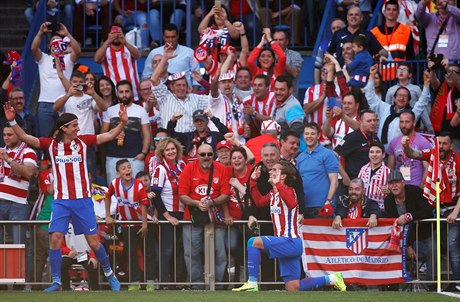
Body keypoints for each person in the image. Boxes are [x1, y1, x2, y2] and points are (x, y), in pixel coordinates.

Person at [3, 101, 128, 291]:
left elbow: (109, 135)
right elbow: (26, 137)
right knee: (56, 238)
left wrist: (122, 123)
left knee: (93, 242)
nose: (78, 128)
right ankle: (56, 281)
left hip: (83, 200)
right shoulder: (51, 145)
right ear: (64, 128)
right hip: (61, 201)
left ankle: (109, 274)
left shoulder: (84, 142)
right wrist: (12, 122)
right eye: (75, 125)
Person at [233, 160, 346, 292]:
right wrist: (253, 181)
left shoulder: (289, 190)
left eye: (275, 170)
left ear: (283, 176)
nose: (270, 171)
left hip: (290, 241)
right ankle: (333, 279)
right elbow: (258, 201)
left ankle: (252, 283)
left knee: (253, 242)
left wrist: (278, 184)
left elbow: (292, 204)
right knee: (293, 287)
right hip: (287, 243)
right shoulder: (273, 194)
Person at [402, 131, 460, 290]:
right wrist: (405, 146)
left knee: (453, 243)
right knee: (434, 244)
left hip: (454, 208)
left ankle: (457, 283)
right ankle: (435, 282)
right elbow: (414, 154)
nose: (441, 147)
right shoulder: (432, 155)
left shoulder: (459, 161)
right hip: (435, 208)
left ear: (451, 145)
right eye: (439, 143)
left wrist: (455, 212)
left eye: (445, 144)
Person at [178, 143, 230, 289]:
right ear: (197, 156)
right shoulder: (189, 169)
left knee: (220, 252)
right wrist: (196, 203)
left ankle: (218, 285)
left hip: (216, 216)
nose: (206, 157)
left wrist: (212, 202)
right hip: (193, 217)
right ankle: (196, 285)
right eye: (202, 154)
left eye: (209, 154)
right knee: (191, 252)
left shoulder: (221, 169)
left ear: (213, 155)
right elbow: (182, 194)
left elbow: (226, 194)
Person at [105, 159, 155, 291]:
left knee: (148, 252)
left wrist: (144, 225)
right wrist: (108, 216)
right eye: (124, 168)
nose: (128, 170)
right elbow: (107, 196)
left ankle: (150, 282)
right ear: (118, 173)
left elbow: (144, 205)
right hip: (127, 225)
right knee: (131, 253)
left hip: (143, 223)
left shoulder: (138, 185)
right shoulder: (114, 183)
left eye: (129, 167)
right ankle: (134, 282)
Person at [383, 170, 434, 289]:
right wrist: (408, 245)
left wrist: (409, 216)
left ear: (403, 183)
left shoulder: (415, 191)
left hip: (425, 232)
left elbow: (427, 211)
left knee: (433, 248)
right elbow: (394, 224)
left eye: (397, 182)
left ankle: (433, 283)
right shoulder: (388, 201)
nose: (394, 185)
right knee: (390, 247)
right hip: (404, 237)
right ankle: (393, 284)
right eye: (391, 183)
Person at [53, 71, 108, 178]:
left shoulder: (89, 97)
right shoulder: (64, 97)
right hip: (68, 142)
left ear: (85, 83)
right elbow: (55, 108)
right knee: (70, 175)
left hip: (88, 142)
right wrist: (69, 94)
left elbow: (104, 108)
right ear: (70, 82)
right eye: (75, 82)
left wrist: (94, 94)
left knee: (90, 174)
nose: (78, 84)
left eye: (81, 82)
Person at [32, 21, 81, 138]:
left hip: (65, 103)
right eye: (54, 43)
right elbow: (34, 48)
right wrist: (40, 33)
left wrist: (67, 34)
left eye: (59, 43)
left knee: (64, 138)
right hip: (45, 104)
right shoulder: (44, 58)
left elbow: (78, 51)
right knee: (47, 138)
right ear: (49, 46)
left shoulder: (68, 59)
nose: (56, 45)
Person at [365, 65, 431, 148]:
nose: (401, 98)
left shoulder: (411, 114)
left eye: (405, 96)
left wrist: (427, 84)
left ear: (408, 100)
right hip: (381, 151)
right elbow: (370, 97)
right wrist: (371, 76)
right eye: (399, 95)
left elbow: (422, 102)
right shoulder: (385, 108)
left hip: (400, 154)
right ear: (394, 98)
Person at [150, 44, 209, 133]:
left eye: (183, 85)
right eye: (178, 85)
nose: (181, 88)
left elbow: (214, 93)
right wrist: (165, 58)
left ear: (187, 87)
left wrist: (201, 81)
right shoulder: (165, 97)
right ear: (171, 87)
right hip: (171, 140)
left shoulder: (195, 98)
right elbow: (154, 79)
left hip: (191, 140)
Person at [151, 138, 186, 286]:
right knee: (167, 250)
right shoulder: (160, 169)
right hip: (168, 213)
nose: (171, 152)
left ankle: (179, 282)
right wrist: (167, 216)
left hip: (183, 213)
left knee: (180, 249)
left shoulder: (183, 165)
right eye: (167, 150)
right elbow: (155, 195)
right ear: (162, 153)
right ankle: (165, 282)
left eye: (173, 149)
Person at [101, 80, 151, 184]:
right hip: (113, 156)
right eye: (121, 92)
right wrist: (114, 133)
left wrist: (143, 153)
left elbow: (147, 134)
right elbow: (102, 133)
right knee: (114, 190)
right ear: (117, 93)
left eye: (127, 91)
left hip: (135, 157)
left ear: (132, 92)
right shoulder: (110, 111)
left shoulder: (140, 110)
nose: (124, 95)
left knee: (137, 189)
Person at [0, 123, 38, 245]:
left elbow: (28, 172)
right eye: (4, 134)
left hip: (18, 204)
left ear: (19, 134)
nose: (6, 138)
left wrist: (8, 159)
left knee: (19, 245)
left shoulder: (29, 152)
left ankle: (20, 265)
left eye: (10, 134)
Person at [297, 122, 338, 218]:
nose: (309, 136)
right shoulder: (300, 157)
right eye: (307, 134)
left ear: (319, 135)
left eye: (312, 133)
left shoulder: (328, 154)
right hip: (304, 207)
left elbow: (334, 181)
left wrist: (328, 200)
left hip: (322, 206)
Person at [143, 24, 200, 88]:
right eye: (167, 37)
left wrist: (194, 93)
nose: (170, 40)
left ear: (178, 36)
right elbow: (146, 76)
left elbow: (196, 76)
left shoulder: (189, 52)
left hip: (183, 92)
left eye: (173, 37)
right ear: (163, 37)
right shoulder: (154, 53)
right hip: (160, 92)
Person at [334, 109, 380, 189]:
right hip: (354, 184)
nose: (373, 123)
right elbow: (333, 154)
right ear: (361, 122)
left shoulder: (375, 138)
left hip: (371, 183)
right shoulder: (352, 137)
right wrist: (345, 177)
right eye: (369, 121)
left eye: (374, 120)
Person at [94, 24, 142, 101]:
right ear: (109, 35)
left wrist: (125, 42)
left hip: (133, 94)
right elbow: (96, 59)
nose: (116, 36)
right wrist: (107, 41)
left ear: (123, 34)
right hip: (113, 96)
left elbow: (138, 55)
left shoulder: (129, 48)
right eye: (113, 33)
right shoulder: (105, 51)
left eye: (119, 33)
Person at [370, 0, 414, 80]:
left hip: (399, 77)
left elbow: (410, 55)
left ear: (398, 13)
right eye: (389, 9)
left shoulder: (406, 30)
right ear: (384, 12)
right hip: (379, 77)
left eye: (394, 10)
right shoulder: (374, 32)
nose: (391, 12)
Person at [387, 110, 431, 187]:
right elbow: (390, 168)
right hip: (399, 187)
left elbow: (427, 168)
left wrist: (422, 187)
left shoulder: (423, 142)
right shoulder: (394, 142)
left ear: (414, 123)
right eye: (401, 122)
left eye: (407, 122)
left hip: (416, 186)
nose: (404, 125)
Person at [385, 64, 433, 133]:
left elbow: (422, 107)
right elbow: (387, 108)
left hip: (413, 122)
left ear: (410, 75)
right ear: (396, 75)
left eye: (404, 69)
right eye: (399, 70)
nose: (401, 71)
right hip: (395, 122)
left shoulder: (416, 89)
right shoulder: (391, 90)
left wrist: (428, 126)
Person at [60, 222, 99, 291]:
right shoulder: (64, 223)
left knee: (92, 264)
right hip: (71, 255)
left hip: (85, 254)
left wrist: (93, 256)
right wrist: (68, 252)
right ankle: (66, 289)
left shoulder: (88, 222)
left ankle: (94, 290)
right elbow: (60, 245)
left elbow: (96, 241)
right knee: (62, 263)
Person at [273, 75, 306, 151]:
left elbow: (297, 128)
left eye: (282, 90)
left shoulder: (292, 106)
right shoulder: (280, 102)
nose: (278, 92)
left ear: (290, 90)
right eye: (276, 89)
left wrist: (282, 141)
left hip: (296, 152)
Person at [357, 142, 391, 211]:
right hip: (362, 208)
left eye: (377, 152)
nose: (374, 155)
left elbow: (394, 194)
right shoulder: (363, 169)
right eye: (372, 152)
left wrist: (389, 192)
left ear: (383, 155)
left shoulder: (389, 172)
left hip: (380, 210)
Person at [243, 74, 276, 139]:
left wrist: (254, 113)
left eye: (260, 85)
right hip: (255, 136)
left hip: (273, 136)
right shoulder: (248, 100)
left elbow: (272, 121)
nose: (256, 88)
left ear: (267, 87)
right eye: (254, 85)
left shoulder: (274, 99)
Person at [272, 30, 304, 97]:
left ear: (287, 42)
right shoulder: (268, 55)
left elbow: (295, 73)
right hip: (271, 97)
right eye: (275, 40)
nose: (277, 43)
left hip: (290, 97)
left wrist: (281, 60)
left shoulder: (295, 55)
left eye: (281, 40)